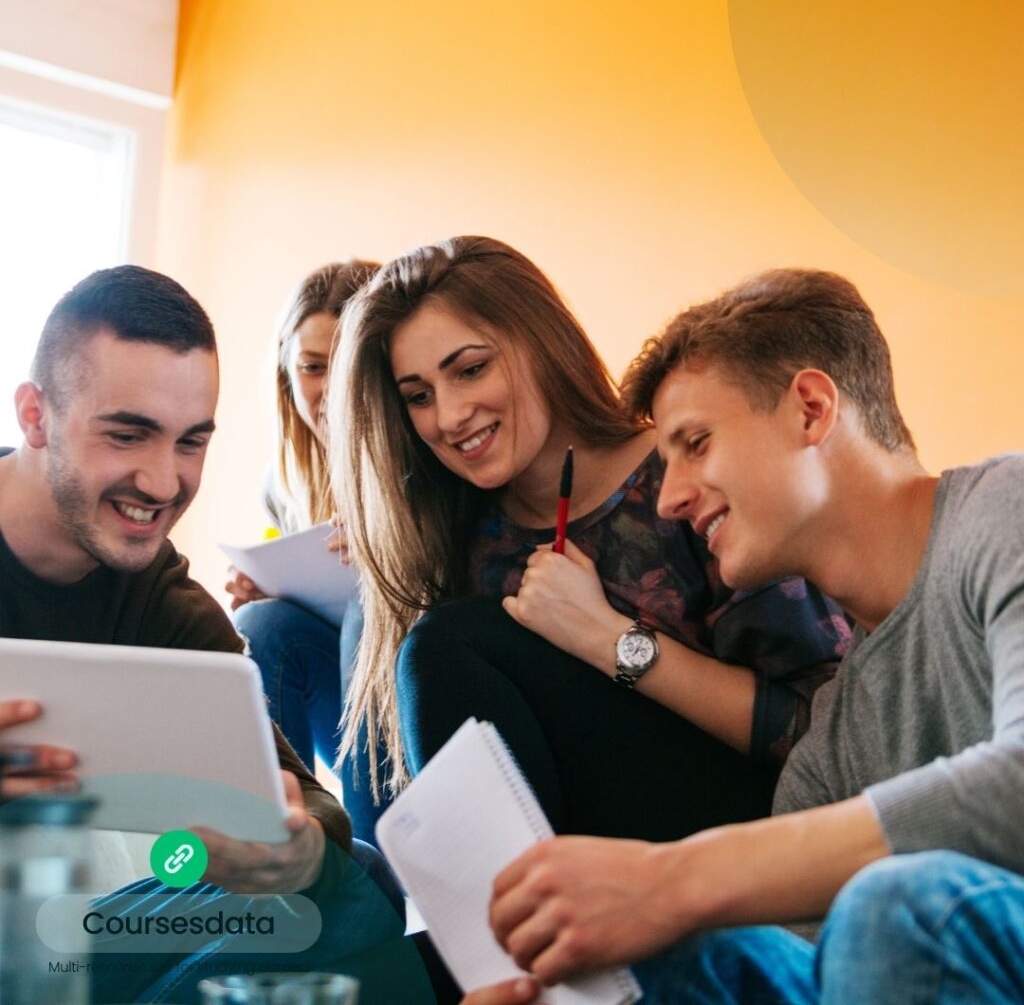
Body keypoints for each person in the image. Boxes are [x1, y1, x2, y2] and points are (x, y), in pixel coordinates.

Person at [461, 268, 1024, 1005]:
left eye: (695, 443)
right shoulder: (834, 742)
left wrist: (675, 878)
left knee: (895, 904)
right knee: (674, 960)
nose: (668, 497)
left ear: (811, 410)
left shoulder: (1003, 511)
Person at [0, 266, 435, 1004]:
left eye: (190, 442)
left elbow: (301, 799)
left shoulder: (160, 604)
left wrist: (292, 851)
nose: (165, 483)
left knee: (348, 873)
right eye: (128, 435)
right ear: (36, 416)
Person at [331, 235, 848, 844]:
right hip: (574, 864)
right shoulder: (458, 539)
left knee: (443, 643)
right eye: (419, 397)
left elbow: (827, 734)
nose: (448, 416)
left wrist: (612, 641)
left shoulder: (687, 476)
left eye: (471, 370)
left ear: (542, 343)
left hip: (752, 836)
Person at [226, 260, 386, 844]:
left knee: (372, 612)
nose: (332, 389)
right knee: (259, 623)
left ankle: (377, 879)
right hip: (342, 706)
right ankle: (287, 843)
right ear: (287, 375)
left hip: (422, 710)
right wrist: (270, 587)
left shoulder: (433, 456)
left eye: (350, 367)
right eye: (314, 368)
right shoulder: (286, 482)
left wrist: (390, 558)